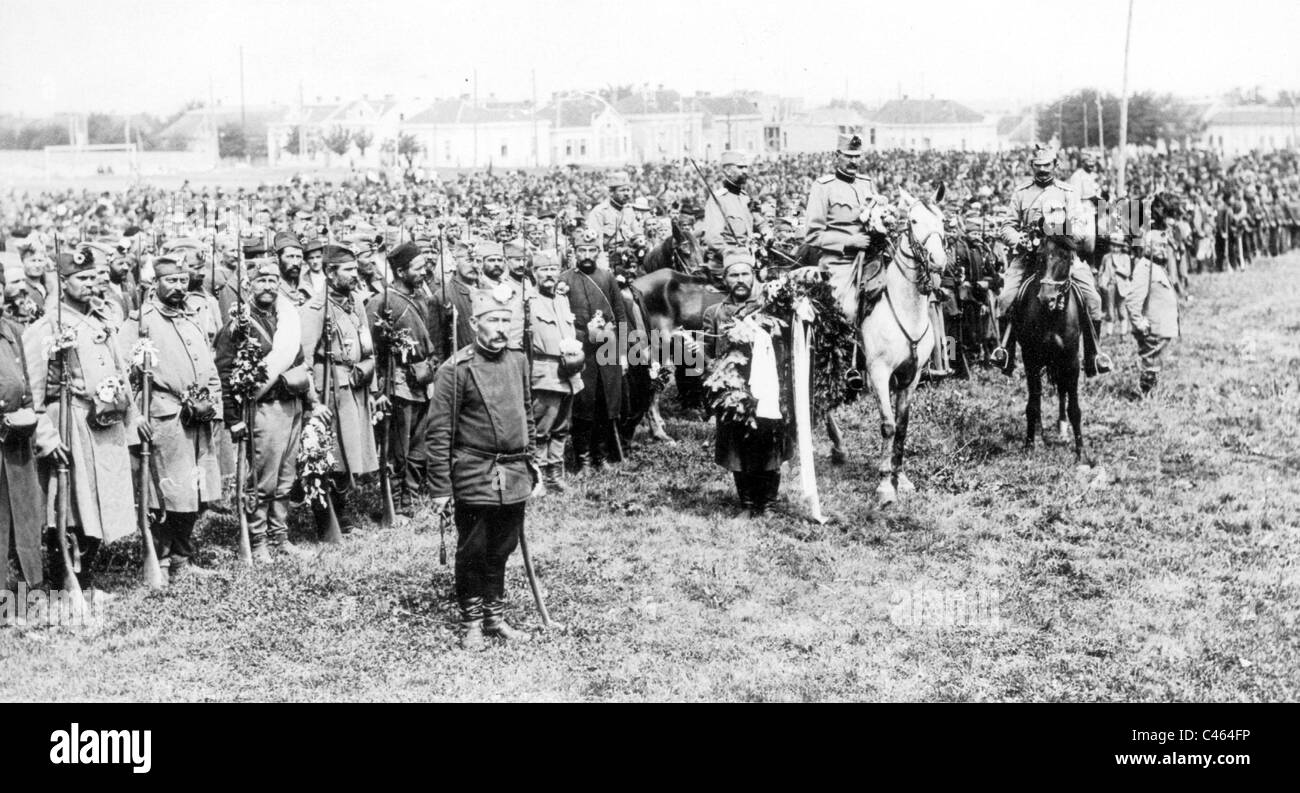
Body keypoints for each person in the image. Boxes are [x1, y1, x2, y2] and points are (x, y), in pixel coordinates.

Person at [24, 248, 145, 594]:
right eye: (82, 278)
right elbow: (33, 392)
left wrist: (132, 420)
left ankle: (88, 578)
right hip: (71, 425)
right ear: (63, 282)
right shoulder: (46, 327)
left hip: (105, 424)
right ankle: (67, 580)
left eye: (94, 277)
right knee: (72, 506)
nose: (91, 284)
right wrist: (46, 438)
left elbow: (119, 373)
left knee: (100, 499)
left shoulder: (101, 320)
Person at [426, 284, 538, 649]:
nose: (502, 327)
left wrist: (531, 462)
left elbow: (527, 416)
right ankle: (472, 621)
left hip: (514, 472)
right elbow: (439, 432)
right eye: (494, 320)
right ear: (475, 322)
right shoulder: (455, 370)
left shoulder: (518, 361)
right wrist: (441, 488)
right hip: (474, 474)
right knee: (473, 550)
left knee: (503, 547)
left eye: (508, 319)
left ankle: (495, 617)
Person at [119, 256, 223, 581]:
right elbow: (122, 372)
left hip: (199, 417)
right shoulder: (141, 324)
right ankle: (161, 560)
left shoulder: (191, 317)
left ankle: (182, 556)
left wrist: (214, 405)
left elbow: (210, 367)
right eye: (171, 281)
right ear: (155, 284)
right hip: (165, 417)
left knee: (197, 491)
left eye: (182, 280)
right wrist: (135, 414)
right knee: (167, 494)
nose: (178, 287)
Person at [214, 259, 314, 561]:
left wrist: (311, 404)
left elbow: (299, 362)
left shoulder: (287, 319)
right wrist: (233, 419)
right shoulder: (238, 325)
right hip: (264, 409)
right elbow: (224, 372)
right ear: (248, 286)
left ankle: (279, 534)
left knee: (286, 475)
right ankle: (257, 540)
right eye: (261, 281)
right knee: (262, 479)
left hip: (291, 404)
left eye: (273, 280)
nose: (268, 286)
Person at [994, 144, 1110, 375]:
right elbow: (1007, 226)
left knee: (1094, 300)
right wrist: (1019, 240)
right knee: (1005, 298)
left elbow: (1080, 227)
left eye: (1047, 166)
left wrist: (1058, 232)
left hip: (1062, 258)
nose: (1043, 170)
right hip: (1027, 258)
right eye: (1038, 166)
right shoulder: (1021, 192)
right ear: (1032, 167)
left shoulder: (1068, 192)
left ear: (1056, 166)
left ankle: (1093, 355)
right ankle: (1004, 353)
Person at [691, 250, 792, 516]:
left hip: (768, 387)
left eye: (744, 273)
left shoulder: (769, 307)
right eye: (733, 275)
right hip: (732, 390)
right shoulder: (715, 313)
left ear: (754, 275)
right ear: (724, 279)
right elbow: (707, 351)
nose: (740, 280)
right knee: (738, 447)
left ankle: (768, 503)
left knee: (769, 445)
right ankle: (747, 503)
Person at [299, 244, 379, 535]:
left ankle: (343, 514)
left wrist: (370, 381)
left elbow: (367, 346)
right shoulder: (315, 309)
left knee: (352, 453)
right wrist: (312, 401)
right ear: (330, 273)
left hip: (355, 385)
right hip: (329, 387)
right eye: (348, 270)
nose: (354, 275)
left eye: (356, 269)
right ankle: (330, 520)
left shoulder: (356, 302)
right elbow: (305, 360)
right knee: (332, 455)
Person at [366, 242, 437, 516]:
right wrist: (379, 387)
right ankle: (394, 503)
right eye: (417, 268)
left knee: (419, 446)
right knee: (398, 449)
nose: (424, 272)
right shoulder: (381, 301)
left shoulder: (421, 298)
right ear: (400, 270)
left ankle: (409, 498)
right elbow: (372, 346)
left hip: (423, 380)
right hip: (398, 385)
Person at [0, 314, 61, 592]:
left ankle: (24, 590)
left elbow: (25, 383)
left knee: (23, 519)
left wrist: (26, 418)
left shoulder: (11, 331)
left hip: (15, 437)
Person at [561, 229, 627, 473]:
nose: (586, 255)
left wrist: (622, 351)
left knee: (605, 404)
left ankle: (600, 455)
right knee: (583, 407)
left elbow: (620, 314)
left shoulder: (607, 277)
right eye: (582, 251)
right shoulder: (565, 280)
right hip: (582, 352)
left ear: (597, 252)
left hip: (608, 348)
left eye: (591, 250)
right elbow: (561, 319)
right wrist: (582, 335)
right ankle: (583, 459)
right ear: (574, 253)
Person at [802, 133, 890, 311]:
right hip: (840, 263)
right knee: (847, 310)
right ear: (836, 156)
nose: (854, 161)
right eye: (849, 156)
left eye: (857, 156)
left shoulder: (866, 183)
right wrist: (848, 242)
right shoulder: (823, 187)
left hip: (871, 260)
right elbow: (813, 235)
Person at [525, 251, 582, 494]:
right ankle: (538, 477)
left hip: (569, 372)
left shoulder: (562, 299)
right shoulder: (528, 301)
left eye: (553, 268)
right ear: (533, 273)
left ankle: (555, 474)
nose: (549, 274)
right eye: (543, 269)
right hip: (545, 373)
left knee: (561, 427)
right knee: (542, 428)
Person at [1116, 231, 1179, 396]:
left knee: (1155, 364)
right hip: (1152, 329)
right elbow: (1132, 299)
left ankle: (1151, 396)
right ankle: (1145, 398)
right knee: (1150, 364)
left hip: (1161, 328)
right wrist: (1138, 322)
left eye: (1164, 246)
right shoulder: (1144, 268)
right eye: (1158, 245)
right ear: (1148, 246)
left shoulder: (1156, 267)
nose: (1162, 249)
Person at [702, 150, 768, 282]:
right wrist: (733, 255)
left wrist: (767, 232)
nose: (745, 171)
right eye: (740, 167)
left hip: (749, 260)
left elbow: (758, 221)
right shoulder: (718, 199)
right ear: (727, 171)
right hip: (726, 265)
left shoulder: (744, 197)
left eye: (746, 167)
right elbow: (712, 238)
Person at [585, 171, 644, 261]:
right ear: (611, 192)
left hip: (629, 254)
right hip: (609, 257)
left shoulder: (629, 210)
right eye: (622, 190)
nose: (626, 194)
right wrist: (602, 261)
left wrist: (640, 242)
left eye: (628, 190)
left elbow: (637, 232)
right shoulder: (600, 211)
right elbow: (596, 242)